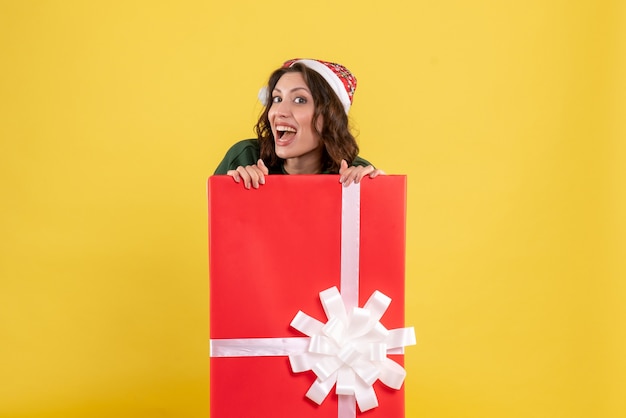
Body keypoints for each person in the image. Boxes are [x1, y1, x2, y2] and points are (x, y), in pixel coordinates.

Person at [214, 58, 384, 189]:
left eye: (300, 100)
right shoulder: (244, 158)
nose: (280, 111)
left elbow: (380, 231)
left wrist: (379, 193)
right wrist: (233, 191)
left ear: (330, 117)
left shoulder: (355, 176)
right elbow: (222, 231)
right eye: (277, 98)